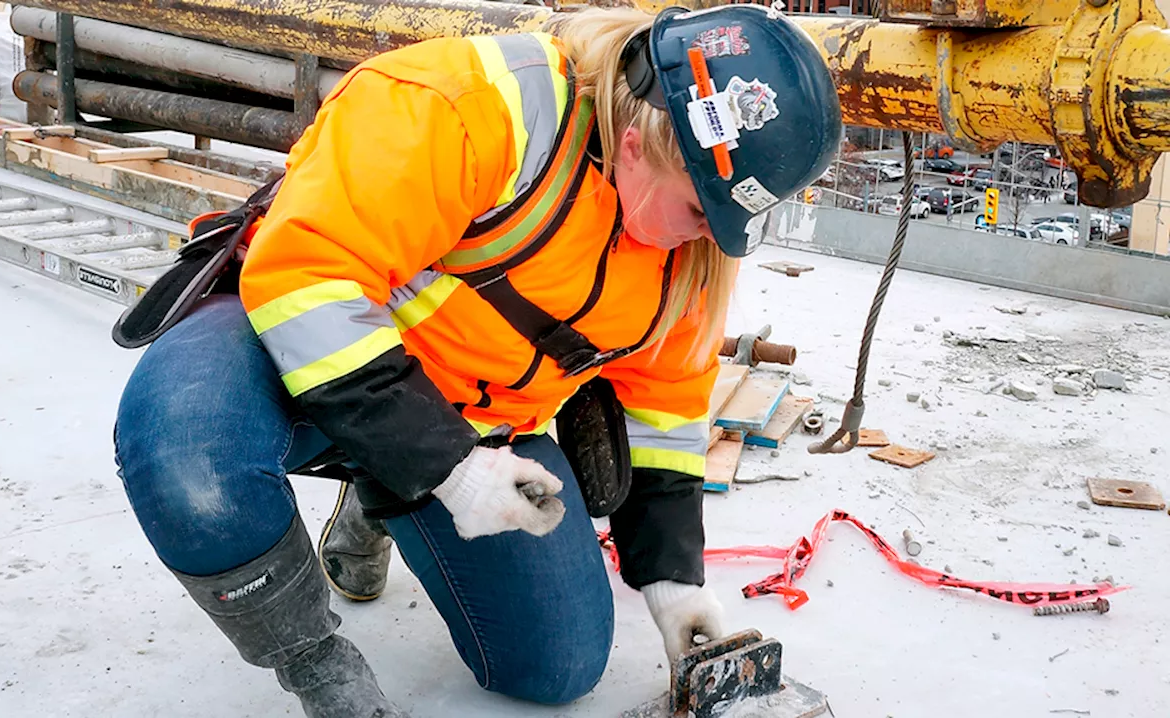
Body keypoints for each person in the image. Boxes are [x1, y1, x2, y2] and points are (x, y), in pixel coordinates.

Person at [112, 4, 840, 716]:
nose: (705, 240)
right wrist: (447, 471)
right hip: (287, 350)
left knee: (557, 667)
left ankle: (380, 492)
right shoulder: (471, 103)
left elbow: (666, 407)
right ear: (641, 142)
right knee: (189, 456)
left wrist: (676, 584)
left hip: (466, 420)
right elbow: (308, 283)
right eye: (698, 211)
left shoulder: (695, 247)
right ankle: (313, 664)